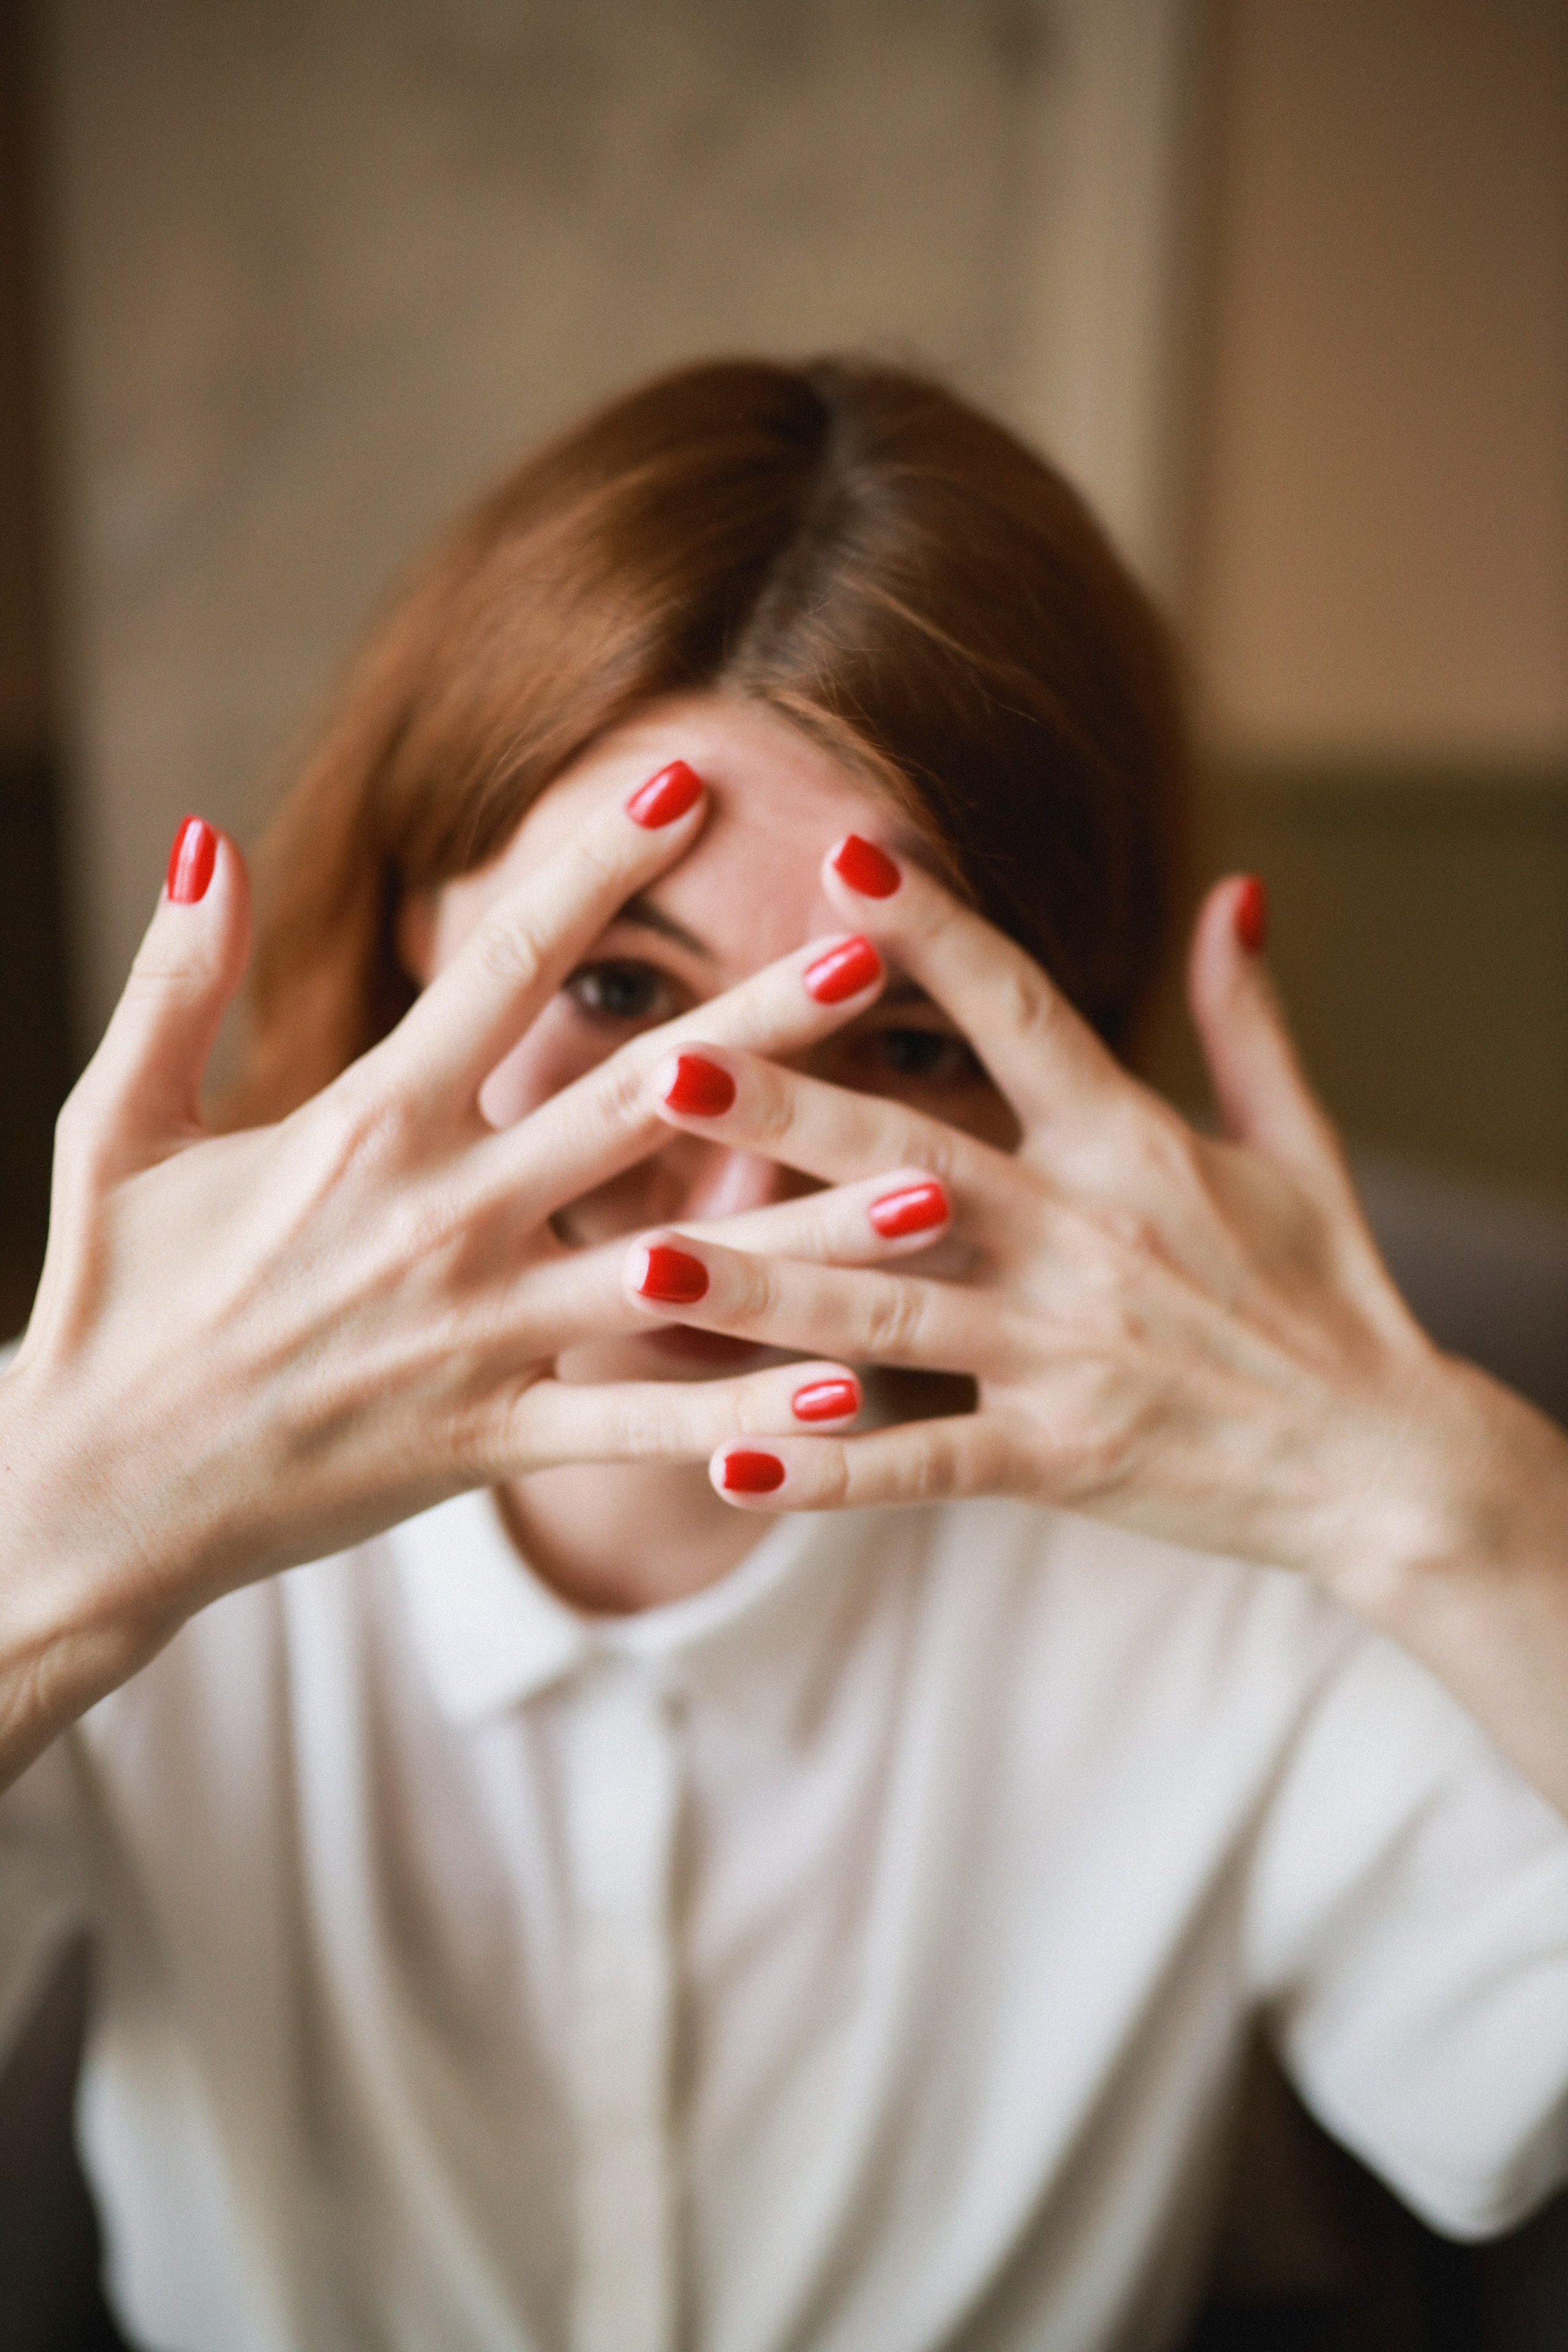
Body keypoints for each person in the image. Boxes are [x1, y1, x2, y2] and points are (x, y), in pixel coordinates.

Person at [2, 356, 1567, 2352]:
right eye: (617, 987)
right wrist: (51, 1532)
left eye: (901, 1045)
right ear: (419, 927)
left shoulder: (1233, 1563)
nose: (737, 1223)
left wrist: (1464, 1511)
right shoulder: (136, 1471)